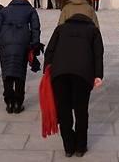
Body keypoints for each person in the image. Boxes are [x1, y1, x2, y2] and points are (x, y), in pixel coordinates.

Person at [44, 13, 104, 157]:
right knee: (81, 110)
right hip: (83, 74)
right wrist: (98, 75)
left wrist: (47, 69)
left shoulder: (61, 28)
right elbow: (98, 54)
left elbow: (50, 50)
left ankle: (69, 147)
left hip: (60, 74)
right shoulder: (93, 30)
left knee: (64, 110)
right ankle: (80, 147)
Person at [0, 0, 41, 113]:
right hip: (22, 42)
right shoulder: (30, 10)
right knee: (20, 72)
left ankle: (9, 102)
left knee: (7, 71)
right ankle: (18, 103)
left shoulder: (4, 10)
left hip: (5, 41)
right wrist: (35, 44)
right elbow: (35, 28)